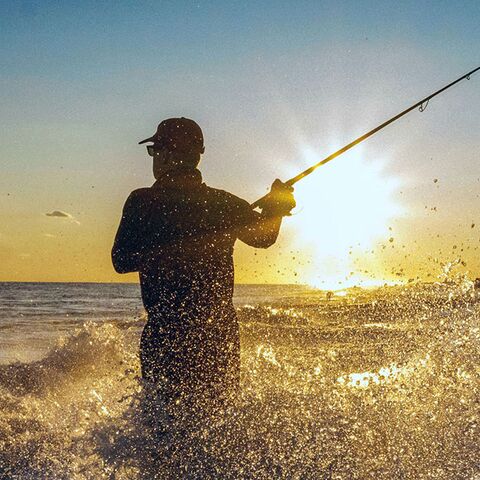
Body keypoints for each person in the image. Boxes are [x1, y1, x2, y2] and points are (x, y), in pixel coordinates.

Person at [112, 118, 295, 418]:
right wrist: (277, 207)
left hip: (165, 335)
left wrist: (275, 207)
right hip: (218, 335)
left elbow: (121, 260)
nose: (154, 159)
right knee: (218, 423)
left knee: (163, 431)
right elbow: (264, 238)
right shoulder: (223, 203)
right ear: (197, 154)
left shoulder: (142, 202)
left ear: (170, 155)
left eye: (155, 150)